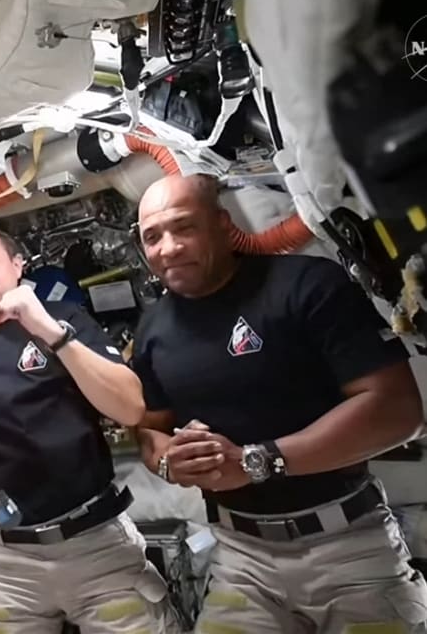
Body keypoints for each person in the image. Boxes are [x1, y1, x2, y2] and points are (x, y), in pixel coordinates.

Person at [131, 173, 427, 631]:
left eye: (183, 227)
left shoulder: (306, 285)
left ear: (221, 224)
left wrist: (258, 461)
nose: (167, 248)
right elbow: (149, 427)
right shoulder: (152, 328)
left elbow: (398, 411)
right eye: (152, 237)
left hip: (350, 548)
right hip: (240, 557)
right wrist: (168, 461)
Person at [0, 215, 175, 634]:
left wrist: (46, 328)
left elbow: (130, 409)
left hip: (97, 545)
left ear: (17, 264)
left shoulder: (66, 320)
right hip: (7, 564)